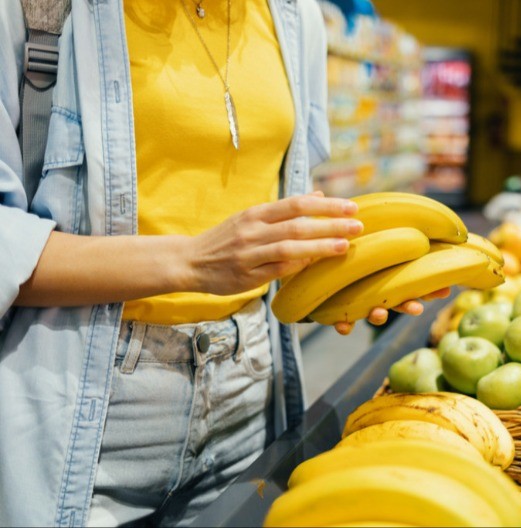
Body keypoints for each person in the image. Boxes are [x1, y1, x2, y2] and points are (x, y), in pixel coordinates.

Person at [0, 1, 447, 526]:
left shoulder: (295, 17)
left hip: (251, 382)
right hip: (86, 399)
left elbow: (276, 192)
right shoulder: (35, 11)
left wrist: (333, 269)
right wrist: (193, 261)